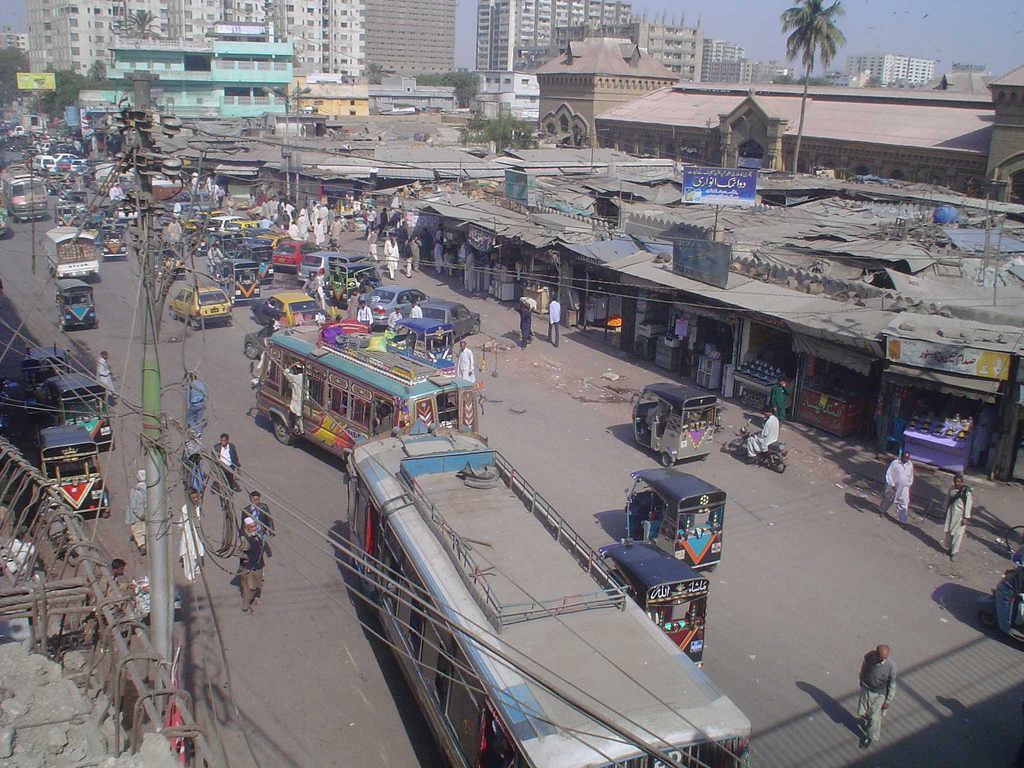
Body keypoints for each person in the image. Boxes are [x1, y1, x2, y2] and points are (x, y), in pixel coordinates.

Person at [857, 644, 896, 749]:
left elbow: (892, 685)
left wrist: (888, 701)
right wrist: (861, 679)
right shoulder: (869, 657)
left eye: (884, 658)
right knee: (864, 712)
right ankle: (868, 722)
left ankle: (869, 737)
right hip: (866, 689)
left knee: (875, 718)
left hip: (880, 694)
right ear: (875, 653)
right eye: (880, 657)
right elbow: (864, 667)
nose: (882, 660)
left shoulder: (890, 666)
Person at [238, 517, 266, 614]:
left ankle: (253, 599)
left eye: (255, 526)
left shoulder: (255, 535)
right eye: (252, 526)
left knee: (258, 584)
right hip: (249, 567)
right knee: (249, 588)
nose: (255, 528)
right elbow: (235, 550)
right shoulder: (243, 538)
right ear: (247, 527)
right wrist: (244, 556)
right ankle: (245, 607)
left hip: (258, 564)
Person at [943, 472, 973, 562]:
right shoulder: (951, 489)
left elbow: (968, 505)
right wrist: (944, 510)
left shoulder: (966, 492)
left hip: (959, 516)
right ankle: (949, 549)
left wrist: (965, 517)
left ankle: (954, 552)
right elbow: (947, 499)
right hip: (951, 513)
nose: (957, 483)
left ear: (962, 482)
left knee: (958, 534)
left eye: (959, 482)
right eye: (955, 481)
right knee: (948, 532)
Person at [879, 450, 914, 528]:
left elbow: (911, 476)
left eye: (908, 458)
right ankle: (882, 511)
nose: (906, 460)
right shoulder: (895, 463)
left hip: (904, 488)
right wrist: (892, 484)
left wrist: (908, 485)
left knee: (903, 503)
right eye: (905, 458)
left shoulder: (910, 465)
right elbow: (889, 474)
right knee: (887, 499)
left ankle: (903, 521)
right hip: (893, 486)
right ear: (901, 457)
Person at [179, 489, 205, 583]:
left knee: (198, 551)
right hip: (189, 534)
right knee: (189, 555)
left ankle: (197, 568)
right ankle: (189, 574)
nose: (196, 499)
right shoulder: (185, 508)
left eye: (197, 497)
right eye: (194, 497)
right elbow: (181, 523)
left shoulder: (198, 507)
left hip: (197, 533)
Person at [126, 470, 147, 555]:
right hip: (147, 514)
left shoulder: (135, 490)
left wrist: (139, 514)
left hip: (137, 516)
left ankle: (142, 546)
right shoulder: (151, 489)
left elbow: (133, 505)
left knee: (137, 531)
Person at [282, 363, 305, 434]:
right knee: (299, 416)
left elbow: (285, 373)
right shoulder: (305, 377)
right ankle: (299, 429)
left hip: (297, 400)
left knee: (296, 415)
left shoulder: (296, 378)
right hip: (303, 400)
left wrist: (291, 365)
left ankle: (298, 429)